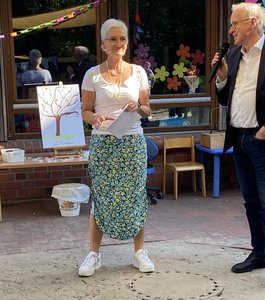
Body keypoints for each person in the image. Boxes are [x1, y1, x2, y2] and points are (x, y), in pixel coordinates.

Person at [212, 2, 265, 294]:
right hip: (239, 139)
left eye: (235, 23)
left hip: (264, 141)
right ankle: (261, 253)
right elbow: (225, 100)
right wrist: (222, 76)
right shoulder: (234, 54)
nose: (231, 30)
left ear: (252, 23)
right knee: (251, 202)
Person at [79, 19, 154, 277]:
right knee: (101, 197)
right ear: (102, 44)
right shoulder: (92, 75)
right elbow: (85, 112)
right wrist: (95, 118)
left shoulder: (139, 72)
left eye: (122, 39)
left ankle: (139, 253)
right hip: (104, 142)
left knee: (135, 196)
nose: (118, 43)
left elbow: (147, 109)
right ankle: (94, 255)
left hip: (132, 141)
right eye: (112, 39)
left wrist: (138, 107)